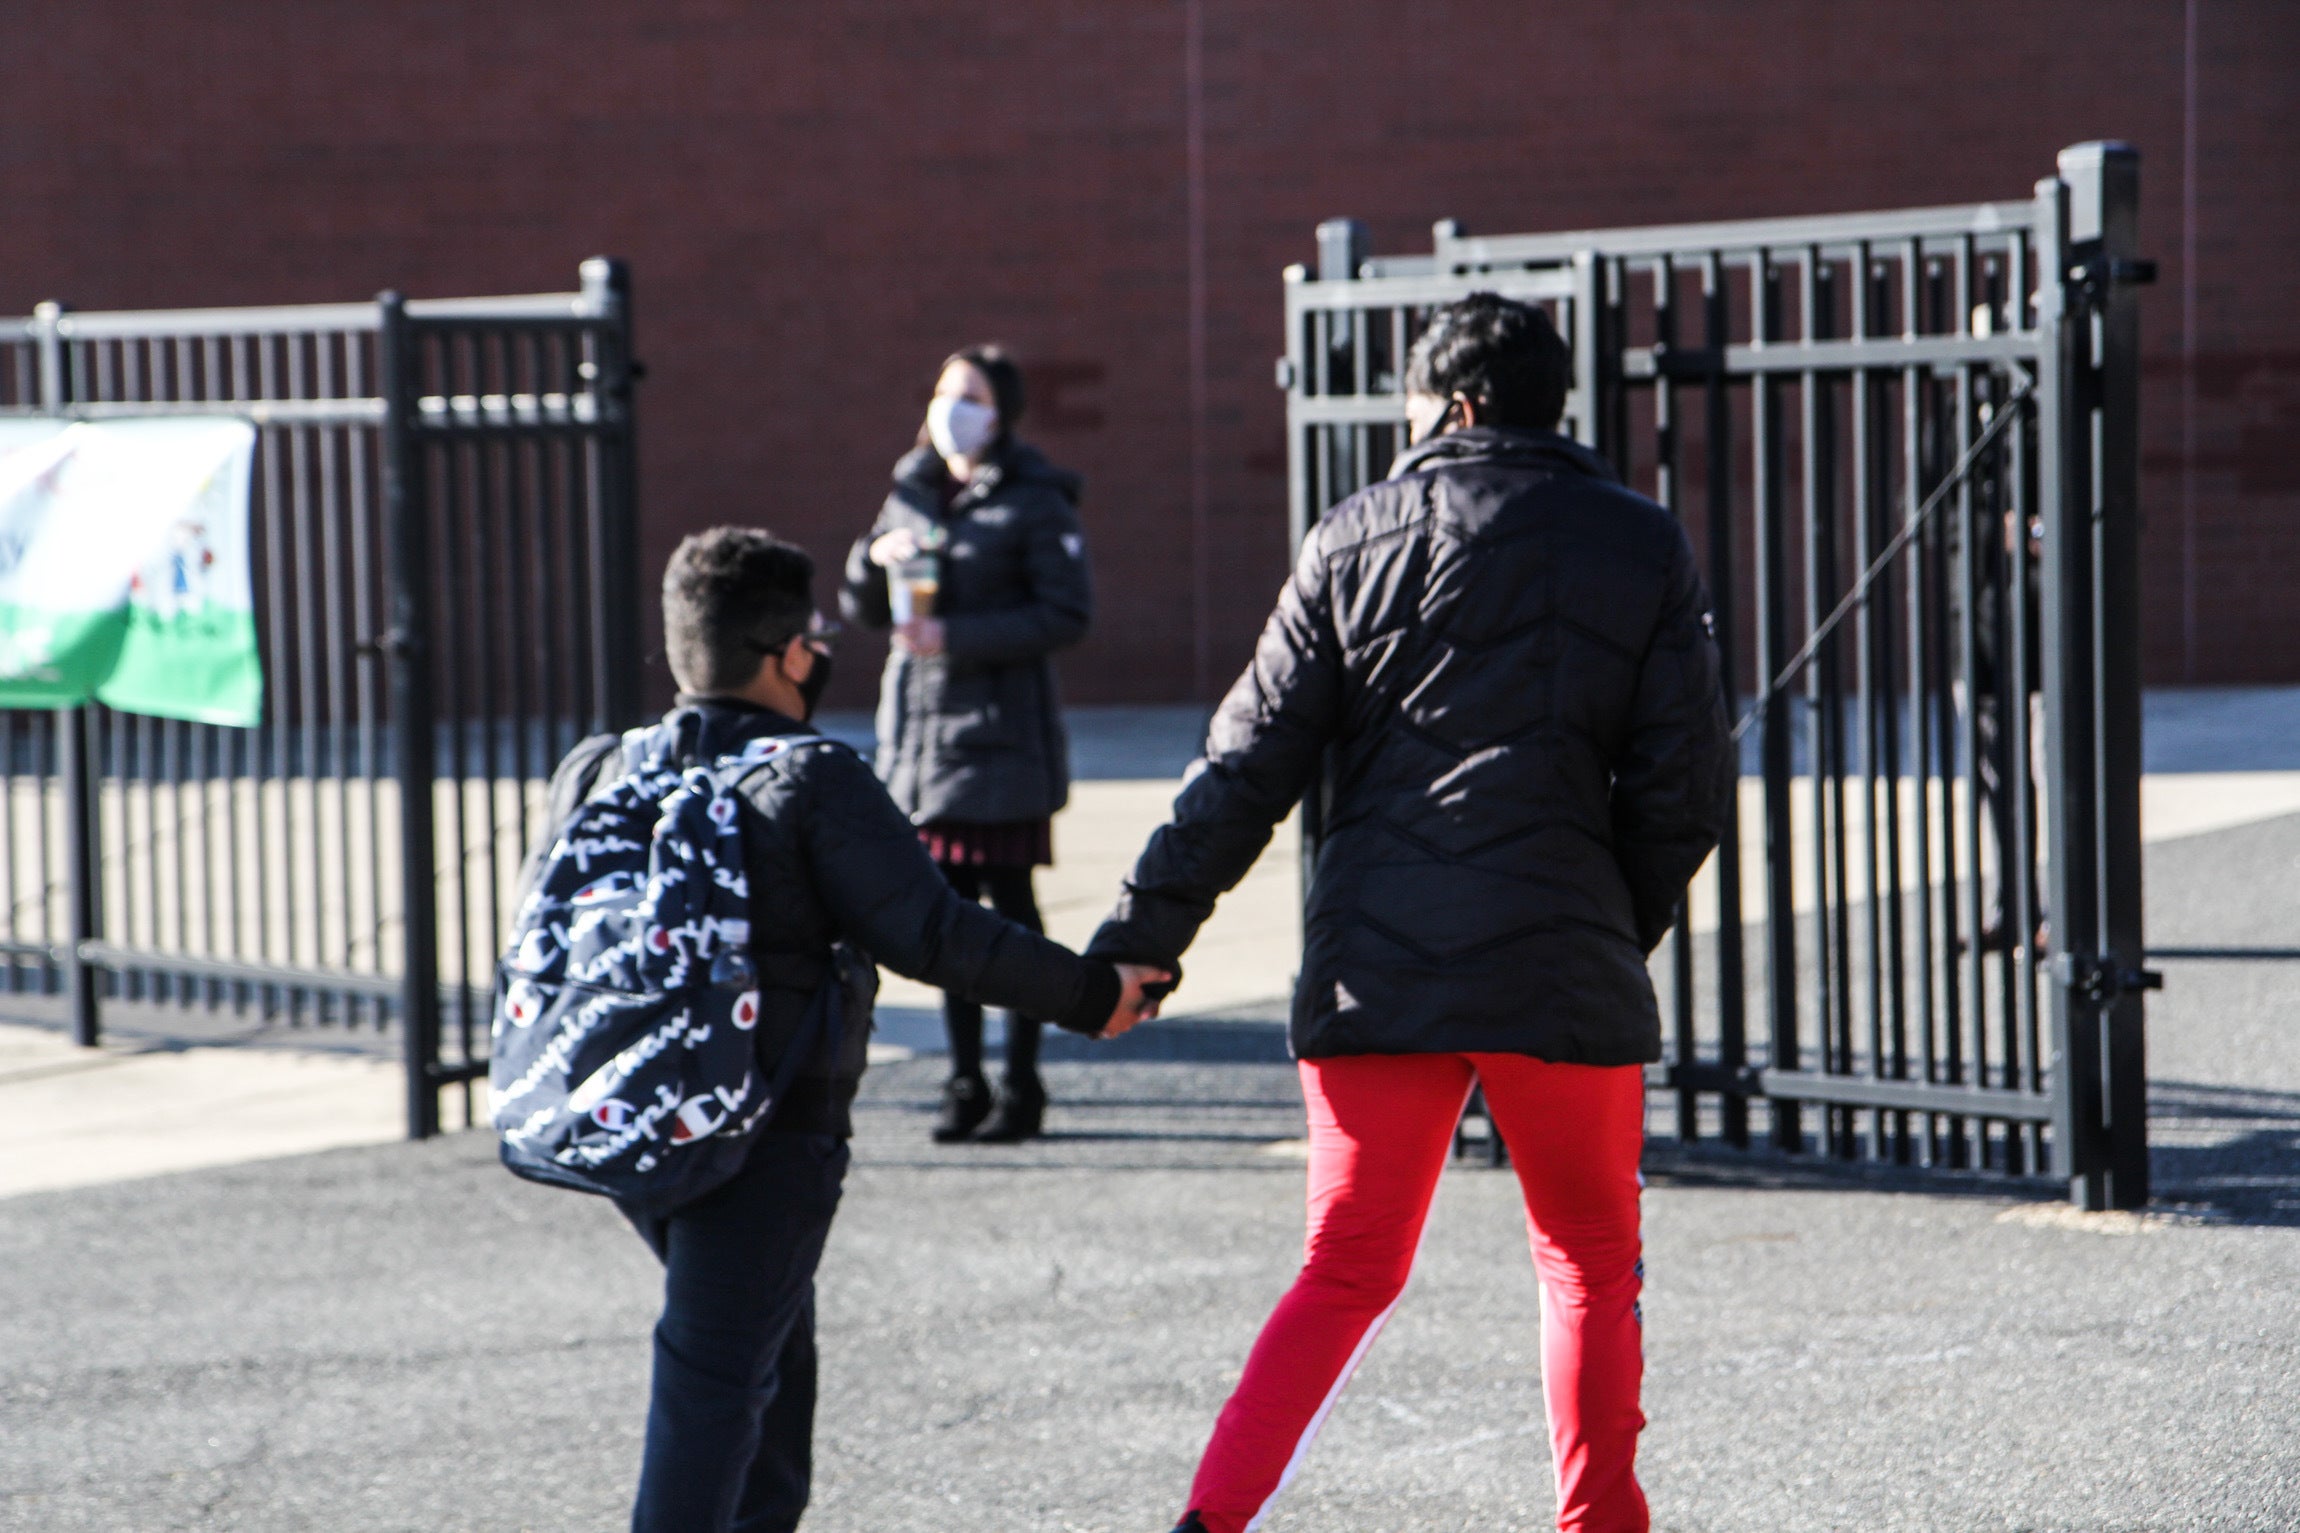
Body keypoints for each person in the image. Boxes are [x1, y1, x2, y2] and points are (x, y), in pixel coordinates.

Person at [1086, 294, 1737, 1533]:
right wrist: (1609, 921)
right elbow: (1684, 784)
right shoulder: (1638, 542)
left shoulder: (1350, 539)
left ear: (1453, 405)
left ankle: (1207, 1523)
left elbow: (1243, 767)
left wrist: (1140, 937)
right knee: (1588, 1264)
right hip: (1561, 959)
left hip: (1374, 973)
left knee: (1344, 1270)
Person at [531, 527, 1164, 1533]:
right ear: (787, 656)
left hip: (629, 1119)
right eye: (813, 637)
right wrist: (1093, 995)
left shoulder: (598, 768)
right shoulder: (810, 776)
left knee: (767, 1375)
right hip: (768, 1130)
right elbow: (937, 933)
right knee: (715, 1384)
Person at [841, 345, 1094, 1143]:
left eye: (973, 396)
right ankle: (964, 1081)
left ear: (1003, 412)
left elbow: (1065, 614)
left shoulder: (1034, 499)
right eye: (947, 391)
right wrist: (868, 561)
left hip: (999, 741)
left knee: (1011, 917)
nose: (955, 408)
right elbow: (864, 606)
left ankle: (1022, 1085)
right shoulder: (913, 489)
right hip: (923, 744)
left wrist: (955, 633)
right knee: (940, 918)